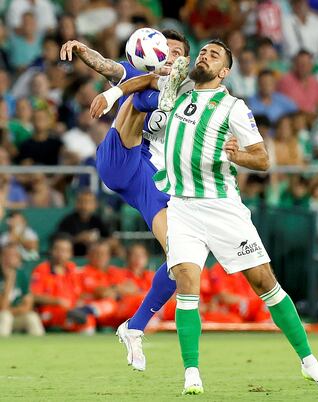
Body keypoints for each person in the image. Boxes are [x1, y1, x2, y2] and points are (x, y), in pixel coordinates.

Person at [152, 41, 318, 394]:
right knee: (186, 285)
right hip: (181, 207)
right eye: (203, 52)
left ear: (224, 72)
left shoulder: (233, 107)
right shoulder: (176, 94)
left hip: (223, 208)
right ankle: (191, 374)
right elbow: (135, 76)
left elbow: (263, 159)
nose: (205, 56)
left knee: (264, 283)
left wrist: (238, 156)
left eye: (214, 55)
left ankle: (309, 362)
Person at [60, 30, 192, 370]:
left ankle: (134, 328)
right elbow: (105, 64)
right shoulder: (137, 74)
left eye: (175, 52)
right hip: (120, 156)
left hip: (147, 175)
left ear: (184, 60)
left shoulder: (190, 97)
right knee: (141, 93)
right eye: (164, 50)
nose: (168, 56)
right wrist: (81, 48)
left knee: (180, 258)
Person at [30, 234, 96, 333]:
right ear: (51, 251)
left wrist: (81, 300)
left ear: (70, 253)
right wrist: (57, 301)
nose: (61, 254)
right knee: (80, 320)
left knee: (88, 317)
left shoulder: (73, 269)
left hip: (73, 311)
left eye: (65, 251)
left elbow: (83, 293)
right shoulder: (42, 269)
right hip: (50, 313)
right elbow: (34, 296)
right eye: (58, 249)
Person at [0, 243, 44, 336]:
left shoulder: (23, 275)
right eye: (6, 256)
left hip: (15, 316)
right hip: (3, 318)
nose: (10, 259)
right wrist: (9, 280)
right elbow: (2, 307)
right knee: (5, 317)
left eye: (15, 256)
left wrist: (11, 311)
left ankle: (40, 349)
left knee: (32, 317)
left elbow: (28, 306)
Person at [56, 189, 116, 256]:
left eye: (89, 202)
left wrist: (99, 242)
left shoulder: (98, 221)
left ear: (95, 205)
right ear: (77, 203)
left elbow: (112, 240)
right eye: (82, 202)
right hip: (74, 256)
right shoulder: (68, 221)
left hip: (95, 256)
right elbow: (59, 241)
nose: (85, 206)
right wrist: (79, 238)